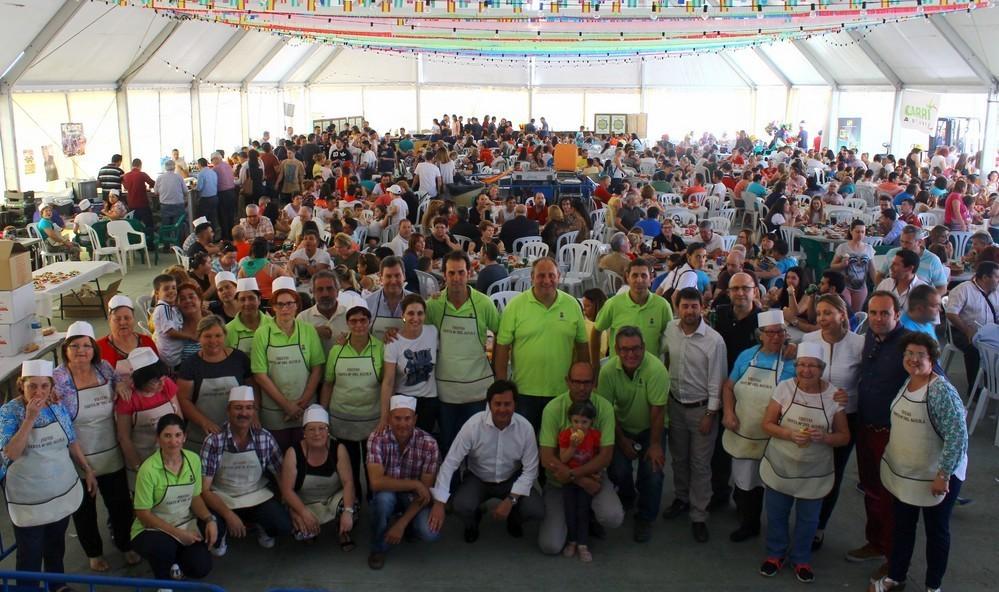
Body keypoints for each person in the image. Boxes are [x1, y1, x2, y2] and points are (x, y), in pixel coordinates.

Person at [869, 332, 968, 592]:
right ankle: (896, 577)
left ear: (932, 358)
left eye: (920, 355)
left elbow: (958, 437)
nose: (913, 359)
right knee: (903, 528)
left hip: (936, 477)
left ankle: (932, 586)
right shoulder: (909, 381)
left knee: (936, 532)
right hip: (906, 473)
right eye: (909, 354)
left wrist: (943, 474)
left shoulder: (941, 390)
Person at [758, 342, 851, 584]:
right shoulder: (784, 389)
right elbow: (767, 424)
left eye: (812, 366)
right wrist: (789, 434)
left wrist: (826, 438)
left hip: (815, 470)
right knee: (777, 513)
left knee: (808, 519)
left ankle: (801, 558)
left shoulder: (833, 396)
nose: (805, 370)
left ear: (822, 369)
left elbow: (845, 437)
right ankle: (775, 554)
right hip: (781, 465)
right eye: (801, 365)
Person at [0, 360, 97, 590]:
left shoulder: (57, 407)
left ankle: (57, 585)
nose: (39, 392)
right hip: (28, 496)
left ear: (51, 387)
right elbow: (11, 453)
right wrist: (29, 419)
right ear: (21, 385)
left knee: (55, 545)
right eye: (32, 386)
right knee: (30, 552)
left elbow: (72, 442)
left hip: (59, 489)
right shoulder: (8, 413)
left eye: (44, 386)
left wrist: (87, 469)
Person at [53, 322, 138, 571]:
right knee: (85, 509)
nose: (81, 350)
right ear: (66, 349)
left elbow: (119, 381)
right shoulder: (59, 378)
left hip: (110, 449)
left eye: (86, 346)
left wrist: (120, 384)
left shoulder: (104, 369)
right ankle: (94, 552)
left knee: (120, 503)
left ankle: (125, 544)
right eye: (75, 346)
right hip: (77, 451)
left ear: (94, 349)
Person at [428, 379, 544, 542]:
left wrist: (511, 500)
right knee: (461, 505)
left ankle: (514, 518)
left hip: (511, 479)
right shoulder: (473, 425)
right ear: (489, 404)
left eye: (507, 404)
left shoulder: (525, 428)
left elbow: (531, 470)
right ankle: (472, 522)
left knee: (536, 509)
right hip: (478, 478)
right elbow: (450, 463)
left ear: (515, 404)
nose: (502, 409)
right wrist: (439, 502)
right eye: (497, 404)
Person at [721, 310, 796, 543]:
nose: (776, 337)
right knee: (745, 482)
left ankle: (775, 532)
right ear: (760, 335)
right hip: (743, 431)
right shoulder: (746, 356)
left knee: (772, 485)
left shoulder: (793, 362)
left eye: (780, 332)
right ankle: (749, 524)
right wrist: (728, 411)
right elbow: (728, 387)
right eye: (770, 332)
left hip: (775, 435)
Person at [850, 291, 912, 568]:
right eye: (873, 312)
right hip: (866, 427)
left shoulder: (909, 344)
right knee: (871, 489)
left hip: (893, 434)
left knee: (891, 498)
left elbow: (933, 380)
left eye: (884, 313)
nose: (877, 318)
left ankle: (893, 558)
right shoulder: (869, 338)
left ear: (897, 315)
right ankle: (875, 542)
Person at [537, 362, 624, 555]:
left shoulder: (604, 407)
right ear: (567, 382)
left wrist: (575, 475)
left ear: (594, 383)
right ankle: (571, 521)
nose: (582, 387)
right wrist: (580, 480)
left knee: (613, 517)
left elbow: (606, 456)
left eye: (587, 382)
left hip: (594, 478)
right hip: (559, 484)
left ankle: (587, 516)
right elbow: (546, 457)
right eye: (576, 382)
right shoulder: (553, 409)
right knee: (550, 546)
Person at [662, 287, 727, 542]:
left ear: (702, 307)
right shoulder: (669, 330)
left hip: (702, 410)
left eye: (694, 306)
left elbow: (717, 381)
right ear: (678, 308)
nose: (689, 311)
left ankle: (699, 514)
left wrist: (711, 413)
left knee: (700, 465)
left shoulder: (714, 340)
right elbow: (661, 358)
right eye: (685, 306)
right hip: (675, 405)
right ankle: (681, 498)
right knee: (678, 458)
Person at [494, 257, 589, 432]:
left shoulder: (572, 305)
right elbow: (501, 348)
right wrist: (502, 388)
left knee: (558, 446)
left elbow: (582, 347)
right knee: (523, 448)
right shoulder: (515, 306)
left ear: (559, 276)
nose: (546, 281)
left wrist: (581, 385)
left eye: (551, 275)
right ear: (532, 277)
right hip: (523, 392)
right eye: (541, 276)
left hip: (562, 392)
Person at [801, 294, 864, 547]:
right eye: (819, 314)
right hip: (813, 415)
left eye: (828, 313)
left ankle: (819, 526)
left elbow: (867, 382)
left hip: (846, 420)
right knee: (807, 468)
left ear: (842, 314)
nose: (822, 319)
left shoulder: (859, 344)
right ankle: (805, 520)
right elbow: (801, 375)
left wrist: (848, 396)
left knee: (833, 474)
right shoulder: (809, 339)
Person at [596, 326, 669, 543]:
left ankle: (645, 517)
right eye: (625, 349)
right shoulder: (608, 371)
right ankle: (628, 497)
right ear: (616, 350)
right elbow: (607, 411)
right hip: (622, 427)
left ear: (644, 348)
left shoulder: (656, 370)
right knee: (618, 468)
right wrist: (622, 440)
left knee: (653, 471)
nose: (630, 354)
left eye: (636, 349)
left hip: (651, 428)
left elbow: (658, 411)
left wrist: (655, 444)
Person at [200, 386, 292, 553]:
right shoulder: (214, 441)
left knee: (283, 525)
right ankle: (223, 532)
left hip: (255, 495)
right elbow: (204, 490)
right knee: (208, 528)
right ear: (228, 410)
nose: (244, 413)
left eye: (249, 408)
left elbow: (281, 474)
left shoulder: (264, 437)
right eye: (238, 408)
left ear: (254, 411)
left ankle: (259, 524)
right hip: (223, 496)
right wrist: (228, 515)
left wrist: (290, 503)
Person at [425, 251, 501, 450]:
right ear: (444, 275)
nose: (456, 278)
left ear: (469, 273)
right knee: (449, 445)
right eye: (451, 273)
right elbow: (415, 330)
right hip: (445, 391)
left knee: (477, 446)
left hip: (477, 390)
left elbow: (501, 335)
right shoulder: (434, 304)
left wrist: (497, 371)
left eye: (461, 272)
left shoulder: (484, 303)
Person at [130, 414, 217, 583]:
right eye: (167, 436)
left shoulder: (193, 460)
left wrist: (209, 519)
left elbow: (195, 496)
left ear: (185, 437)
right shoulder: (148, 470)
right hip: (151, 529)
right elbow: (143, 514)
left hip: (184, 522)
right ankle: (163, 581)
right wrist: (178, 534)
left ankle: (175, 561)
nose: (173, 441)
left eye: (178, 435)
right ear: (158, 439)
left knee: (200, 567)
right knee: (164, 548)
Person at [366, 395, 441, 570]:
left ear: (415, 419)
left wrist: (401, 524)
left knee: (429, 533)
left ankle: (407, 525)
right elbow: (376, 483)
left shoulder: (429, 444)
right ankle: (378, 548)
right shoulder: (376, 438)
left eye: (407, 418)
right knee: (383, 500)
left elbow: (425, 493)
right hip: (388, 493)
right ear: (389, 418)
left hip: (413, 499)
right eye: (397, 418)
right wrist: (414, 484)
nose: (402, 424)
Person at [252, 276, 325, 451]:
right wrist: (286, 406)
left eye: (290, 303)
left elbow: (317, 368)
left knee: (306, 456)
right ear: (273, 307)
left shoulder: (308, 330)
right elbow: (260, 375)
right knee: (278, 457)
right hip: (274, 412)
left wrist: (302, 402)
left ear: (297, 305)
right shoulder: (262, 333)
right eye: (280, 304)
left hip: (304, 409)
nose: (285, 308)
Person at [320, 303, 384, 502]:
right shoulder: (336, 351)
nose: (358, 325)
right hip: (342, 420)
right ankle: (353, 501)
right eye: (353, 321)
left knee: (371, 465)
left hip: (371, 421)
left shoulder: (380, 348)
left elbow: (386, 384)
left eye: (363, 320)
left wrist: (385, 416)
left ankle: (374, 501)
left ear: (369, 321)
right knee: (349, 466)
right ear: (347, 323)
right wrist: (323, 414)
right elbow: (328, 383)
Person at [279, 405, 358, 546]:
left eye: (322, 428)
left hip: (333, 498)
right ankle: (311, 529)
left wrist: (347, 511)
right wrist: (302, 512)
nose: (317, 433)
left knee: (352, 509)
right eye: (311, 429)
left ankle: (342, 531)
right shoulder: (293, 453)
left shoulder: (338, 449)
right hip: (306, 502)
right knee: (300, 532)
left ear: (328, 431)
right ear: (304, 432)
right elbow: (287, 490)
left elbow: (348, 483)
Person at [177, 315, 252, 451]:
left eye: (218, 335)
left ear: (225, 335)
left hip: (237, 432)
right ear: (199, 337)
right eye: (207, 336)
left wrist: (255, 414)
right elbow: (183, 400)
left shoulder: (239, 359)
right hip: (201, 437)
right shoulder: (190, 365)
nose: (213, 341)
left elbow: (252, 389)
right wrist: (204, 422)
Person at [116, 347, 182, 486]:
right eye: (155, 381)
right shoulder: (128, 398)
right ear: (141, 380)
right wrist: (139, 468)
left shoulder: (167, 385)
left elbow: (179, 418)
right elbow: (124, 437)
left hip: (170, 456)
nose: (161, 384)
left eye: (163, 379)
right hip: (141, 457)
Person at [591, 258, 673, 365]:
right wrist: (595, 366)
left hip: (650, 371)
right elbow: (596, 331)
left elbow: (670, 340)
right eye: (634, 275)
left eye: (644, 276)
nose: (639, 280)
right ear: (627, 278)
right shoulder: (613, 304)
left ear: (651, 279)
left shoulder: (662, 306)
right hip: (618, 371)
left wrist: (666, 369)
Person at [380, 293, 439, 437]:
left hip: (429, 399)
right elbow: (388, 382)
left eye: (420, 313)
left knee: (423, 443)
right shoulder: (393, 343)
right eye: (411, 313)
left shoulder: (432, 332)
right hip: (403, 399)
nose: (415, 318)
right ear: (403, 315)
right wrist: (384, 416)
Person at [556, 399, 601, 562]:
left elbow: (598, 457)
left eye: (584, 422)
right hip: (569, 480)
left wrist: (596, 473)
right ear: (570, 421)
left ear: (591, 422)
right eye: (576, 421)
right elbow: (563, 458)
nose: (580, 426)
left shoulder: (595, 436)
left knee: (583, 510)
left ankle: (583, 544)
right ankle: (571, 541)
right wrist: (573, 447)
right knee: (570, 509)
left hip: (587, 478)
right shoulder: (566, 435)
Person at [944, 260, 999, 389]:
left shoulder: (997, 291)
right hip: (961, 330)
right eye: (997, 277)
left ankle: (991, 381)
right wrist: (967, 330)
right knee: (973, 349)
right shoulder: (963, 289)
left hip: (988, 331)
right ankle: (974, 387)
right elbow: (951, 314)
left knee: (993, 346)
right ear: (985, 278)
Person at [297, 270, 348, 356]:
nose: (325, 294)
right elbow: (296, 347)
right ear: (312, 292)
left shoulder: (349, 316)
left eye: (329, 288)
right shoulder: (303, 318)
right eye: (320, 289)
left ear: (338, 291)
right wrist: (313, 332)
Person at [97, 295, 158, 367]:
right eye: (117, 319)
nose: (122, 322)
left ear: (133, 319)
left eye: (127, 318)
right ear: (109, 320)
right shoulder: (99, 348)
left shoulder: (147, 342)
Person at [831, 220, 877, 312]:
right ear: (851, 231)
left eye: (862, 232)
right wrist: (842, 264)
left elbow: (872, 270)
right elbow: (832, 266)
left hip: (861, 287)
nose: (860, 235)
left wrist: (878, 285)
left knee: (856, 314)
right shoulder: (843, 247)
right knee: (845, 310)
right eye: (857, 231)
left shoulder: (869, 248)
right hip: (845, 285)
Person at [365, 256, 413, 340]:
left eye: (397, 275)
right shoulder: (368, 302)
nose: (393, 281)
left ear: (404, 276)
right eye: (388, 276)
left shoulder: (414, 302)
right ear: (380, 278)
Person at [225, 277, 273, 356]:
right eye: (242, 299)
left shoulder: (273, 325)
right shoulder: (228, 330)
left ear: (259, 300)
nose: (247, 303)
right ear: (237, 302)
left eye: (251, 298)